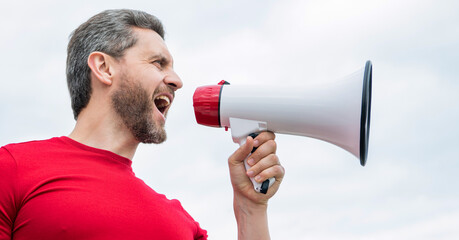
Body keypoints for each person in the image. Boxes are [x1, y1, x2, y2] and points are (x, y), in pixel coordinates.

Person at [0, 9, 284, 240]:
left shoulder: (182, 225)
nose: (177, 81)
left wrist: (251, 208)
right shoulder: (11, 168)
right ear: (104, 68)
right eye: (158, 63)